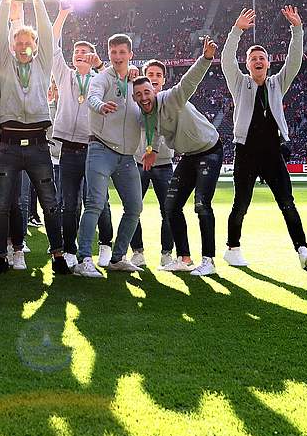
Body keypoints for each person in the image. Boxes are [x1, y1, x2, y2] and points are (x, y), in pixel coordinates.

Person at [222, 6, 307, 271]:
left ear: (268, 62)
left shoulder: (277, 83)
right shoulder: (239, 83)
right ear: (248, 64)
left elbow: (295, 61)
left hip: (273, 152)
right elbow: (226, 61)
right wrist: (237, 31)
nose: (258, 60)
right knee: (240, 203)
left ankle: (302, 249)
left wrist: (297, 30)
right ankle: (233, 248)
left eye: (262, 56)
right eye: (253, 57)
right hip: (245, 151)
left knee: (287, 202)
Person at [0, 0, 68, 276]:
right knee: (2, 204)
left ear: (35, 45)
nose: (22, 46)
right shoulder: (5, 63)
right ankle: (0, 256)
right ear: (11, 45)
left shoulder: (43, 63)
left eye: (27, 42)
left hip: (37, 146)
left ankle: (58, 255)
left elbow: (46, 27)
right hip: (8, 145)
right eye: (18, 42)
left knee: (50, 203)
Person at [133, 37, 220, 275]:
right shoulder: (146, 115)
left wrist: (206, 59)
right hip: (189, 156)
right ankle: (184, 258)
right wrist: (152, 151)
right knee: (171, 207)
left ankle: (209, 261)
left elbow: (188, 82)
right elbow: (155, 131)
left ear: (155, 89)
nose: (143, 98)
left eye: (147, 92)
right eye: (138, 95)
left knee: (201, 204)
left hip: (209, 149)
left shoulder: (170, 98)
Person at [72, 31, 147, 278]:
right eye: (113, 52)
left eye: (122, 52)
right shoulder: (102, 77)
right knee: (93, 204)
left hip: (127, 156)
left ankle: (117, 258)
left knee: (135, 207)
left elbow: (149, 103)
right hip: (101, 148)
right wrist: (100, 106)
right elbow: (92, 96)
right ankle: (84, 258)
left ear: (130, 55)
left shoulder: (136, 81)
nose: (117, 56)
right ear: (108, 53)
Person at [50, 2, 114, 268]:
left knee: (99, 199)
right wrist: (63, 14)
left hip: (94, 147)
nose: (79, 54)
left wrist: (100, 66)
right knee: (68, 203)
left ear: (93, 57)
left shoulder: (102, 79)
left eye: (85, 52)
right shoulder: (64, 75)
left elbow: (117, 78)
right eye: (76, 51)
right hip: (68, 148)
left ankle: (105, 244)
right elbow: (51, 44)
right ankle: (68, 249)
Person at [129, 59, 178, 269]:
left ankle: (167, 253)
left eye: (159, 74)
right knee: (132, 209)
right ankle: (137, 252)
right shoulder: (135, 102)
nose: (155, 77)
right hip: (138, 163)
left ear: (164, 79)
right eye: (151, 74)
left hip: (164, 163)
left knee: (168, 210)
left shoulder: (169, 102)